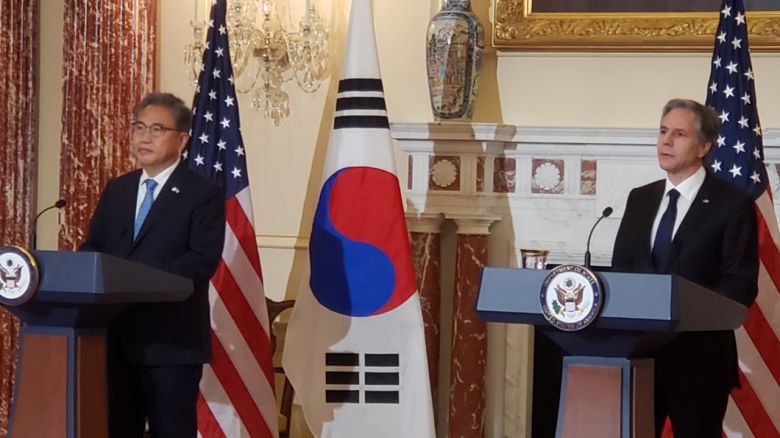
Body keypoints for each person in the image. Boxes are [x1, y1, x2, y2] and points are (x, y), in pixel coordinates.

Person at [81, 92, 225, 438]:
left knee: (171, 430)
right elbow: (92, 248)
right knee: (116, 430)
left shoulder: (202, 194)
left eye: (157, 129)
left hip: (170, 343)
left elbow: (200, 261)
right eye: (139, 127)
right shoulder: (117, 190)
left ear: (182, 140)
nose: (144, 137)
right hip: (114, 337)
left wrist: (134, 278)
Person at [612, 98, 758, 437]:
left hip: (699, 362)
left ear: (704, 146)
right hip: (639, 358)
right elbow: (622, 269)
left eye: (679, 134)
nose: (666, 141)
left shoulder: (732, 204)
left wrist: (679, 308)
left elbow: (740, 285)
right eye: (663, 131)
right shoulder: (640, 198)